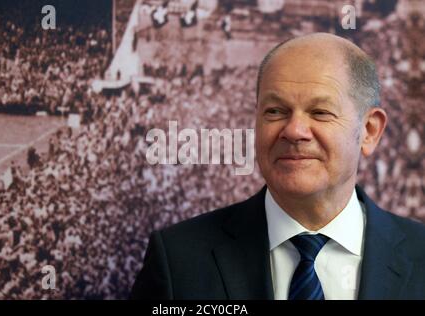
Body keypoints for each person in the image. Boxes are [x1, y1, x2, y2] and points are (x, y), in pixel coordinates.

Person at [129, 33, 425, 300]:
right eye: (275, 111)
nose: (294, 130)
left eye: (320, 112)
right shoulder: (179, 260)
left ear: (370, 130)